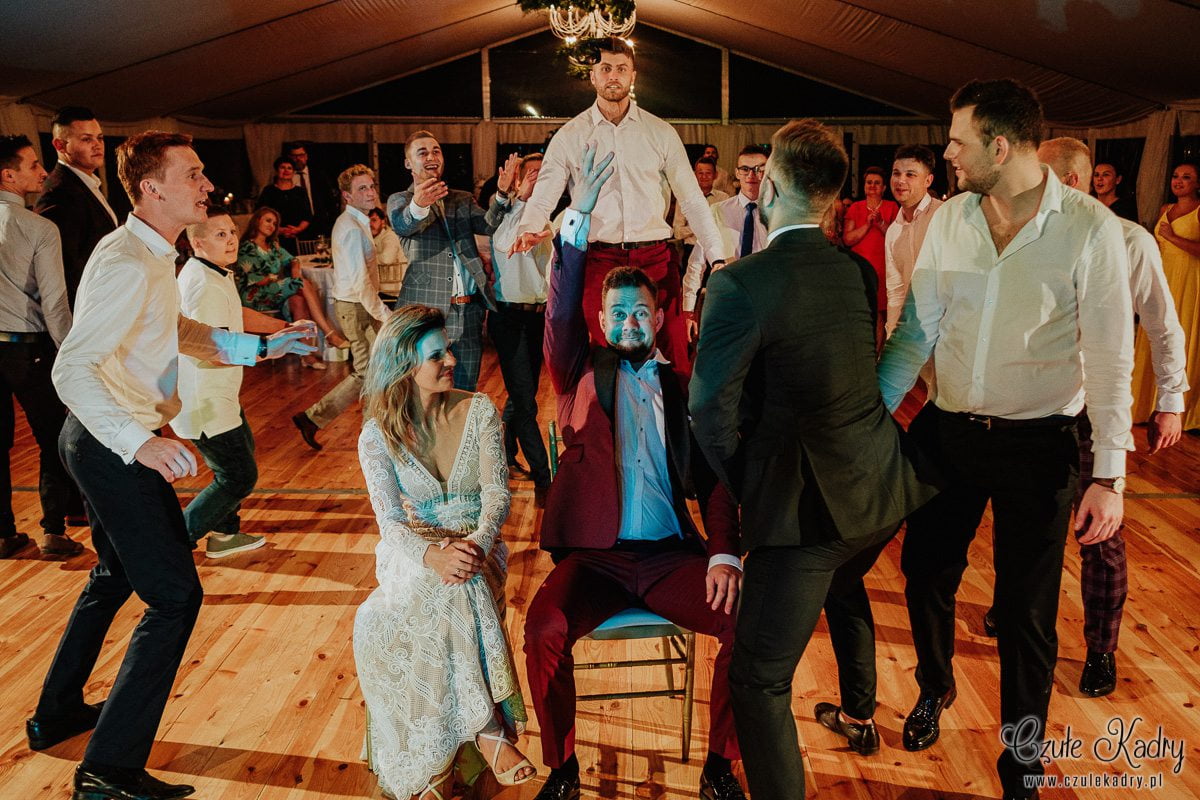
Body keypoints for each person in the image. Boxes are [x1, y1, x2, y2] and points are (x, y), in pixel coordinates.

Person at [29, 131, 315, 800]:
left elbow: (178, 333)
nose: (207, 185)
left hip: (100, 438)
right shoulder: (129, 262)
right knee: (175, 597)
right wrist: (140, 443)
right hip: (109, 444)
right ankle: (107, 771)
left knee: (114, 577)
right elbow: (71, 369)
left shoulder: (153, 255)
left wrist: (263, 345)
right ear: (152, 188)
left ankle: (57, 713)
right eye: (193, 174)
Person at [877, 80, 1133, 800]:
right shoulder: (950, 220)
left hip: (1042, 445)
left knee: (1026, 613)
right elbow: (915, 333)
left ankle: (1021, 763)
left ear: (998, 145)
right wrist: (867, 417)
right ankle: (935, 686)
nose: (947, 155)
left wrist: (1108, 475)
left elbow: (1112, 356)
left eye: (957, 142)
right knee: (925, 573)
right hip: (949, 429)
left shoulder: (1088, 228)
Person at [688, 119, 938, 800]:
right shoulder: (855, 270)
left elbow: (708, 411)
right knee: (842, 581)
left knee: (758, 680)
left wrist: (749, 486)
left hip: (807, 513)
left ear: (768, 187)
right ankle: (858, 711)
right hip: (880, 492)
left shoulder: (741, 282)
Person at [519, 144, 746, 800]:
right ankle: (563, 769)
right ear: (601, 321)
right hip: (597, 560)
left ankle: (719, 767)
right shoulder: (578, 372)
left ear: (658, 317)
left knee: (747, 619)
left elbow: (715, 479)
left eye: (640, 312)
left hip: (671, 559)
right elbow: (559, 310)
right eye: (617, 313)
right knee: (543, 629)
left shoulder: (682, 388)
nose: (629, 321)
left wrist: (724, 553)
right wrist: (578, 219)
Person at [978, 137, 1189, 699]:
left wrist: (1171, 398)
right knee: (1023, 519)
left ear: (1068, 181)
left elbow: (1163, 324)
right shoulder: (1026, 235)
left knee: (1100, 535)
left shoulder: (1130, 240)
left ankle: (1100, 649)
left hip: (1099, 410)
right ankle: (1011, 605)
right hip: (1038, 408)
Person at [355, 304, 535, 800]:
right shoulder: (375, 435)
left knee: (461, 580)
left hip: (479, 543)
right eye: (436, 355)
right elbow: (391, 524)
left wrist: (476, 544)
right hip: (413, 550)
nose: (451, 360)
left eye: (448, 349)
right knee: (441, 589)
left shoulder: (479, 410)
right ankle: (487, 732)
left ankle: (441, 767)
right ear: (403, 365)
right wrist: (431, 556)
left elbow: (497, 494)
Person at [513, 38, 729, 378]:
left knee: (672, 354)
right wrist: (529, 226)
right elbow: (544, 194)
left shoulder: (660, 132)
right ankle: (607, 413)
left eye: (621, 69)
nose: (613, 76)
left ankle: (675, 413)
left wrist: (717, 257)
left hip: (655, 258)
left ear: (633, 76)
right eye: (605, 69)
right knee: (605, 357)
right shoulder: (571, 135)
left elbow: (691, 199)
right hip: (598, 259)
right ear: (593, 76)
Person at [177, 206, 291, 558]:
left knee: (240, 458)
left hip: (218, 395)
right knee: (237, 477)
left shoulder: (212, 272)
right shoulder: (202, 284)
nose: (231, 240)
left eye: (232, 232)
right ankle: (172, 546)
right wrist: (269, 348)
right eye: (220, 234)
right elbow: (211, 349)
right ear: (197, 242)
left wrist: (283, 327)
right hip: (204, 401)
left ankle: (225, 535)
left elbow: (234, 314)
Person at [0, 135, 83, 559]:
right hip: (27, 349)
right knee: (52, 438)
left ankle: (4, 534)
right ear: (7, 175)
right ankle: (54, 532)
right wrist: (73, 355)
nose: (43, 171)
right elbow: (54, 302)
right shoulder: (38, 228)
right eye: (33, 165)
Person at [387, 131, 517, 391]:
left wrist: (502, 193)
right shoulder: (400, 201)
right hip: (426, 316)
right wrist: (419, 204)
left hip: (469, 312)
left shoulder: (461, 199)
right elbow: (404, 224)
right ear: (408, 163)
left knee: (464, 390)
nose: (431, 156)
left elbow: (489, 225)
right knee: (422, 391)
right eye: (422, 152)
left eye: (436, 151)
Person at [293, 165, 391, 450]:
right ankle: (365, 435)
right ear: (347, 196)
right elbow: (360, 282)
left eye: (371, 186)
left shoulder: (357, 222)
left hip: (358, 304)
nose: (370, 192)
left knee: (373, 370)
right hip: (355, 306)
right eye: (362, 188)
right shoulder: (350, 227)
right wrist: (385, 315)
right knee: (367, 372)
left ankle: (320, 420)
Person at [488, 153, 553, 501]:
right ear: (516, 180)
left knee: (522, 394)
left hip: (538, 316)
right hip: (509, 317)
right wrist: (522, 202)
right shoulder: (505, 215)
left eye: (545, 174)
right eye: (532, 174)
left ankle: (506, 453)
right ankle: (545, 479)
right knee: (526, 403)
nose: (538, 180)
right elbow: (503, 243)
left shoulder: (548, 220)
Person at [1130, 162, 1200, 432]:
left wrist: (1172, 237)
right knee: (1155, 332)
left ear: (1197, 184)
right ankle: (1146, 404)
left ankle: (1181, 409)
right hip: (1165, 276)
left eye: (1186, 177)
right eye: (1175, 176)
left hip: (1190, 280)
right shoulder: (1164, 209)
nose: (1178, 181)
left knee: (1182, 336)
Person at [236, 206, 349, 369]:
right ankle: (328, 333)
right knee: (302, 283)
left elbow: (293, 259)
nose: (272, 226)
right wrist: (282, 279)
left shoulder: (273, 246)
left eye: (275, 223)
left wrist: (295, 269)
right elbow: (257, 281)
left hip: (274, 292)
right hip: (255, 295)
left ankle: (306, 355)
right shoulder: (247, 247)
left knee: (298, 300)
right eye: (268, 221)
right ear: (257, 221)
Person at [682, 145, 770, 341]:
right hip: (728, 301)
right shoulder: (717, 211)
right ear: (737, 173)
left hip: (767, 303)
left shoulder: (778, 214)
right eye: (745, 169)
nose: (751, 175)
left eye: (759, 169)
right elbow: (696, 263)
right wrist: (689, 310)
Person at [35, 106, 118, 310]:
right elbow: (64, 267)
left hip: (108, 298)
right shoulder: (59, 192)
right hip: (91, 306)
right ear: (60, 145)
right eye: (86, 139)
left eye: (100, 138)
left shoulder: (86, 184)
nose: (97, 145)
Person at [884, 145, 943, 338]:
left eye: (910, 174)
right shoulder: (893, 231)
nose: (901, 180)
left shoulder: (944, 216)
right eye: (896, 173)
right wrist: (892, 335)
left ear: (928, 180)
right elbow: (896, 293)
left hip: (948, 330)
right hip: (914, 334)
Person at [842, 166, 898, 331]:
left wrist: (880, 223)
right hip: (860, 269)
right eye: (869, 182)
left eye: (877, 183)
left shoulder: (892, 207)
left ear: (884, 187)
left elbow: (896, 238)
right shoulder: (855, 207)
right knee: (860, 310)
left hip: (883, 269)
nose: (872, 186)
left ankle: (879, 348)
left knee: (880, 314)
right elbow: (847, 239)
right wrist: (867, 225)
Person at [672, 156, 729, 255]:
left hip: (717, 248)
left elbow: (727, 228)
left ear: (715, 175)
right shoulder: (684, 198)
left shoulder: (723, 198)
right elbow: (677, 232)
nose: (704, 177)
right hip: (691, 248)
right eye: (700, 173)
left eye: (708, 173)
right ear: (694, 175)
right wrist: (698, 226)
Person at [255, 156, 312, 254]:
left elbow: (307, 216)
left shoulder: (300, 191)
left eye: (289, 168)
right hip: (274, 238)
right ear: (276, 171)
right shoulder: (268, 191)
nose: (286, 170)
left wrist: (297, 229)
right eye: (282, 167)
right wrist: (279, 230)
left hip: (298, 238)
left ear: (293, 172)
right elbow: (260, 215)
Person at [285, 141, 338, 236]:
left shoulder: (319, 175)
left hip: (319, 225)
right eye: (294, 156)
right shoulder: (285, 177)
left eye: (301, 155)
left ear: (306, 156)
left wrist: (331, 223)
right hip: (294, 227)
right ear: (289, 158)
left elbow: (330, 202)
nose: (298, 159)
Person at [368, 206, 407, 293]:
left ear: (383, 222)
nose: (370, 224)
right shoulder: (372, 238)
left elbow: (387, 259)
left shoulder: (390, 236)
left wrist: (366, 259)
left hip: (392, 288)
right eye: (367, 221)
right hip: (382, 286)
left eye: (374, 220)